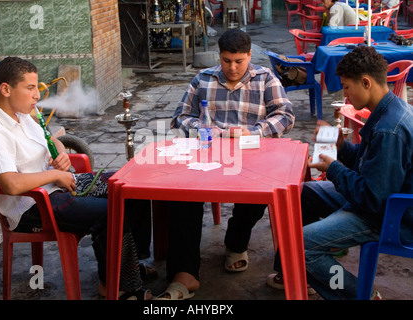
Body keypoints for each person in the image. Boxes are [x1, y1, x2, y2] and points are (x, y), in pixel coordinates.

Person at [0, 56, 153, 300]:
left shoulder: (22, 113)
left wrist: (60, 154)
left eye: (37, 87)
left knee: (131, 184)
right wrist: (55, 174)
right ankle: (117, 286)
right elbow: (11, 184)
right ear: (5, 89)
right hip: (33, 206)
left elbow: (48, 138)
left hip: (56, 186)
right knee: (109, 211)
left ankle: (128, 266)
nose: (37, 95)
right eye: (30, 88)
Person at [157, 28, 295, 300]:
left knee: (258, 195)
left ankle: (236, 242)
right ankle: (184, 273)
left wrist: (255, 131)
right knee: (181, 195)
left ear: (249, 56)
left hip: (252, 159)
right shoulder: (203, 79)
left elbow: (286, 116)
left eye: (239, 61)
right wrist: (203, 128)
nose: (232, 68)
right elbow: (181, 117)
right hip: (206, 156)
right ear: (219, 57)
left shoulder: (266, 80)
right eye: (226, 61)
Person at [267, 46, 413, 299]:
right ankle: (294, 270)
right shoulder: (389, 110)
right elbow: (371, 165)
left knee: (298, 244)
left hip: (391, 217)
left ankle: (359, 294)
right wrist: (343, 147)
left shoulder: (389, 129)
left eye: (346, 87)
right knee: (305, 193)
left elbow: (372, 198)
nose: (345, 95)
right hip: (379, 201)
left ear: (366, 82)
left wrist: (333, 169)